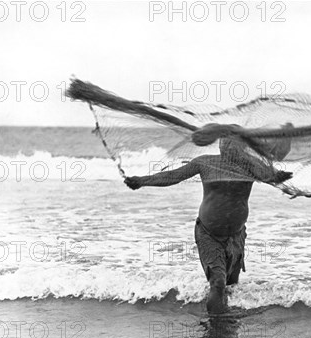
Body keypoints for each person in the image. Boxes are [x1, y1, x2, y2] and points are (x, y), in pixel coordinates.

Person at [124, 134, 292, 314]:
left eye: (232, 143)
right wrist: (142, 181)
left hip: (236, 235)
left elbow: (271, 177)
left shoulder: (251, 166)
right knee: (218, 283)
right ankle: (216, 328)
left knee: (231, 284)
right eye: (224, 142)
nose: (227, 146)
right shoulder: (206, 163)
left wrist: (280, 170)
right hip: (208, 233)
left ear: (243, 147)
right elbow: (173, 176)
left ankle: (226, 321)